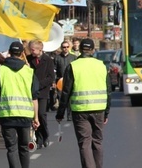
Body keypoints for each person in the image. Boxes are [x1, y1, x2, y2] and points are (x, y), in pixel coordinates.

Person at [56, 38, 111, 168]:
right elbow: (108, 91)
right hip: (99, 110)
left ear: (80, 50)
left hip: (80, 111)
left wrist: (60, 113)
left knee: (85, 142)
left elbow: (66, 92)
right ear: (93, 50)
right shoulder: (101, 65)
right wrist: (107, 113)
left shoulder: (73, 66)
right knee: (97, 141)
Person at [0, 42, 39, 168]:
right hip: (25, 115)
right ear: (22, 54)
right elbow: (34, 97)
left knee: (11, 149)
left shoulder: (1, 71)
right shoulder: (29, 71)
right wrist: (36, 117)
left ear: (10, 53)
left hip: (7, 115)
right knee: (24, 147)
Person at [26, 40, 55, 149]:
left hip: (42, 91)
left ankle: (45, 135)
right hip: (31, 92)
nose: (31, 52)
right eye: (30, 49)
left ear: (40, 49)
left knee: (42, 114)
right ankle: (39, 138)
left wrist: (38, 84)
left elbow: (51, 77)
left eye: (33, 49)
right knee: (34, 115)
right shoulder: (28, 59)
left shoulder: (48, 60)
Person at [54, 41, 77, 121]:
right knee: (61, 98)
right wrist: (54, 81)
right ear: (61, 48)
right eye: (64, 47)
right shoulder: (57, 58)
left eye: (67, 47)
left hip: (70, 80)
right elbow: (55, 70)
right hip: (60, 80)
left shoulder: (73, 57)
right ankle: (61, 114)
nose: (65, 48)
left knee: (70, 98)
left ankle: (69, 115)